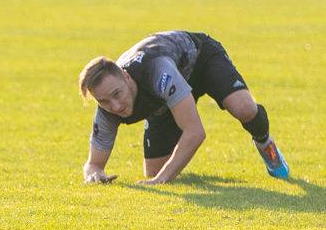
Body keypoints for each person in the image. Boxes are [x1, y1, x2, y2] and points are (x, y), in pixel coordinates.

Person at [78, 30, 289, 185]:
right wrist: (94, 174)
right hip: (164, 97)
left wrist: (162, 180)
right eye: (103, 101)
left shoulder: (156, 71)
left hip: (201, 61)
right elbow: (93, 164)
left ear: (126, 77)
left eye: (117, 94)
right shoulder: (107, 106)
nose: (114, 106)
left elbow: (195, 132)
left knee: (244, 108)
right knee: (154, 171)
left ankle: (265, 143)